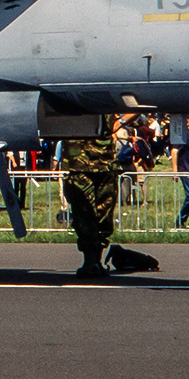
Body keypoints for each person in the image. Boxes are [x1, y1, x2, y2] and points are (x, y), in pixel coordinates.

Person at [60, 115, 128, 278]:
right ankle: (91, 261)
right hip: (81, 163)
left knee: (102, 214)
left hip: (103, 161)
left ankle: (94, 261)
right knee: (85, 213)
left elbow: (139, 101)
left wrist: (121, 122)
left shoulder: (101, 94)